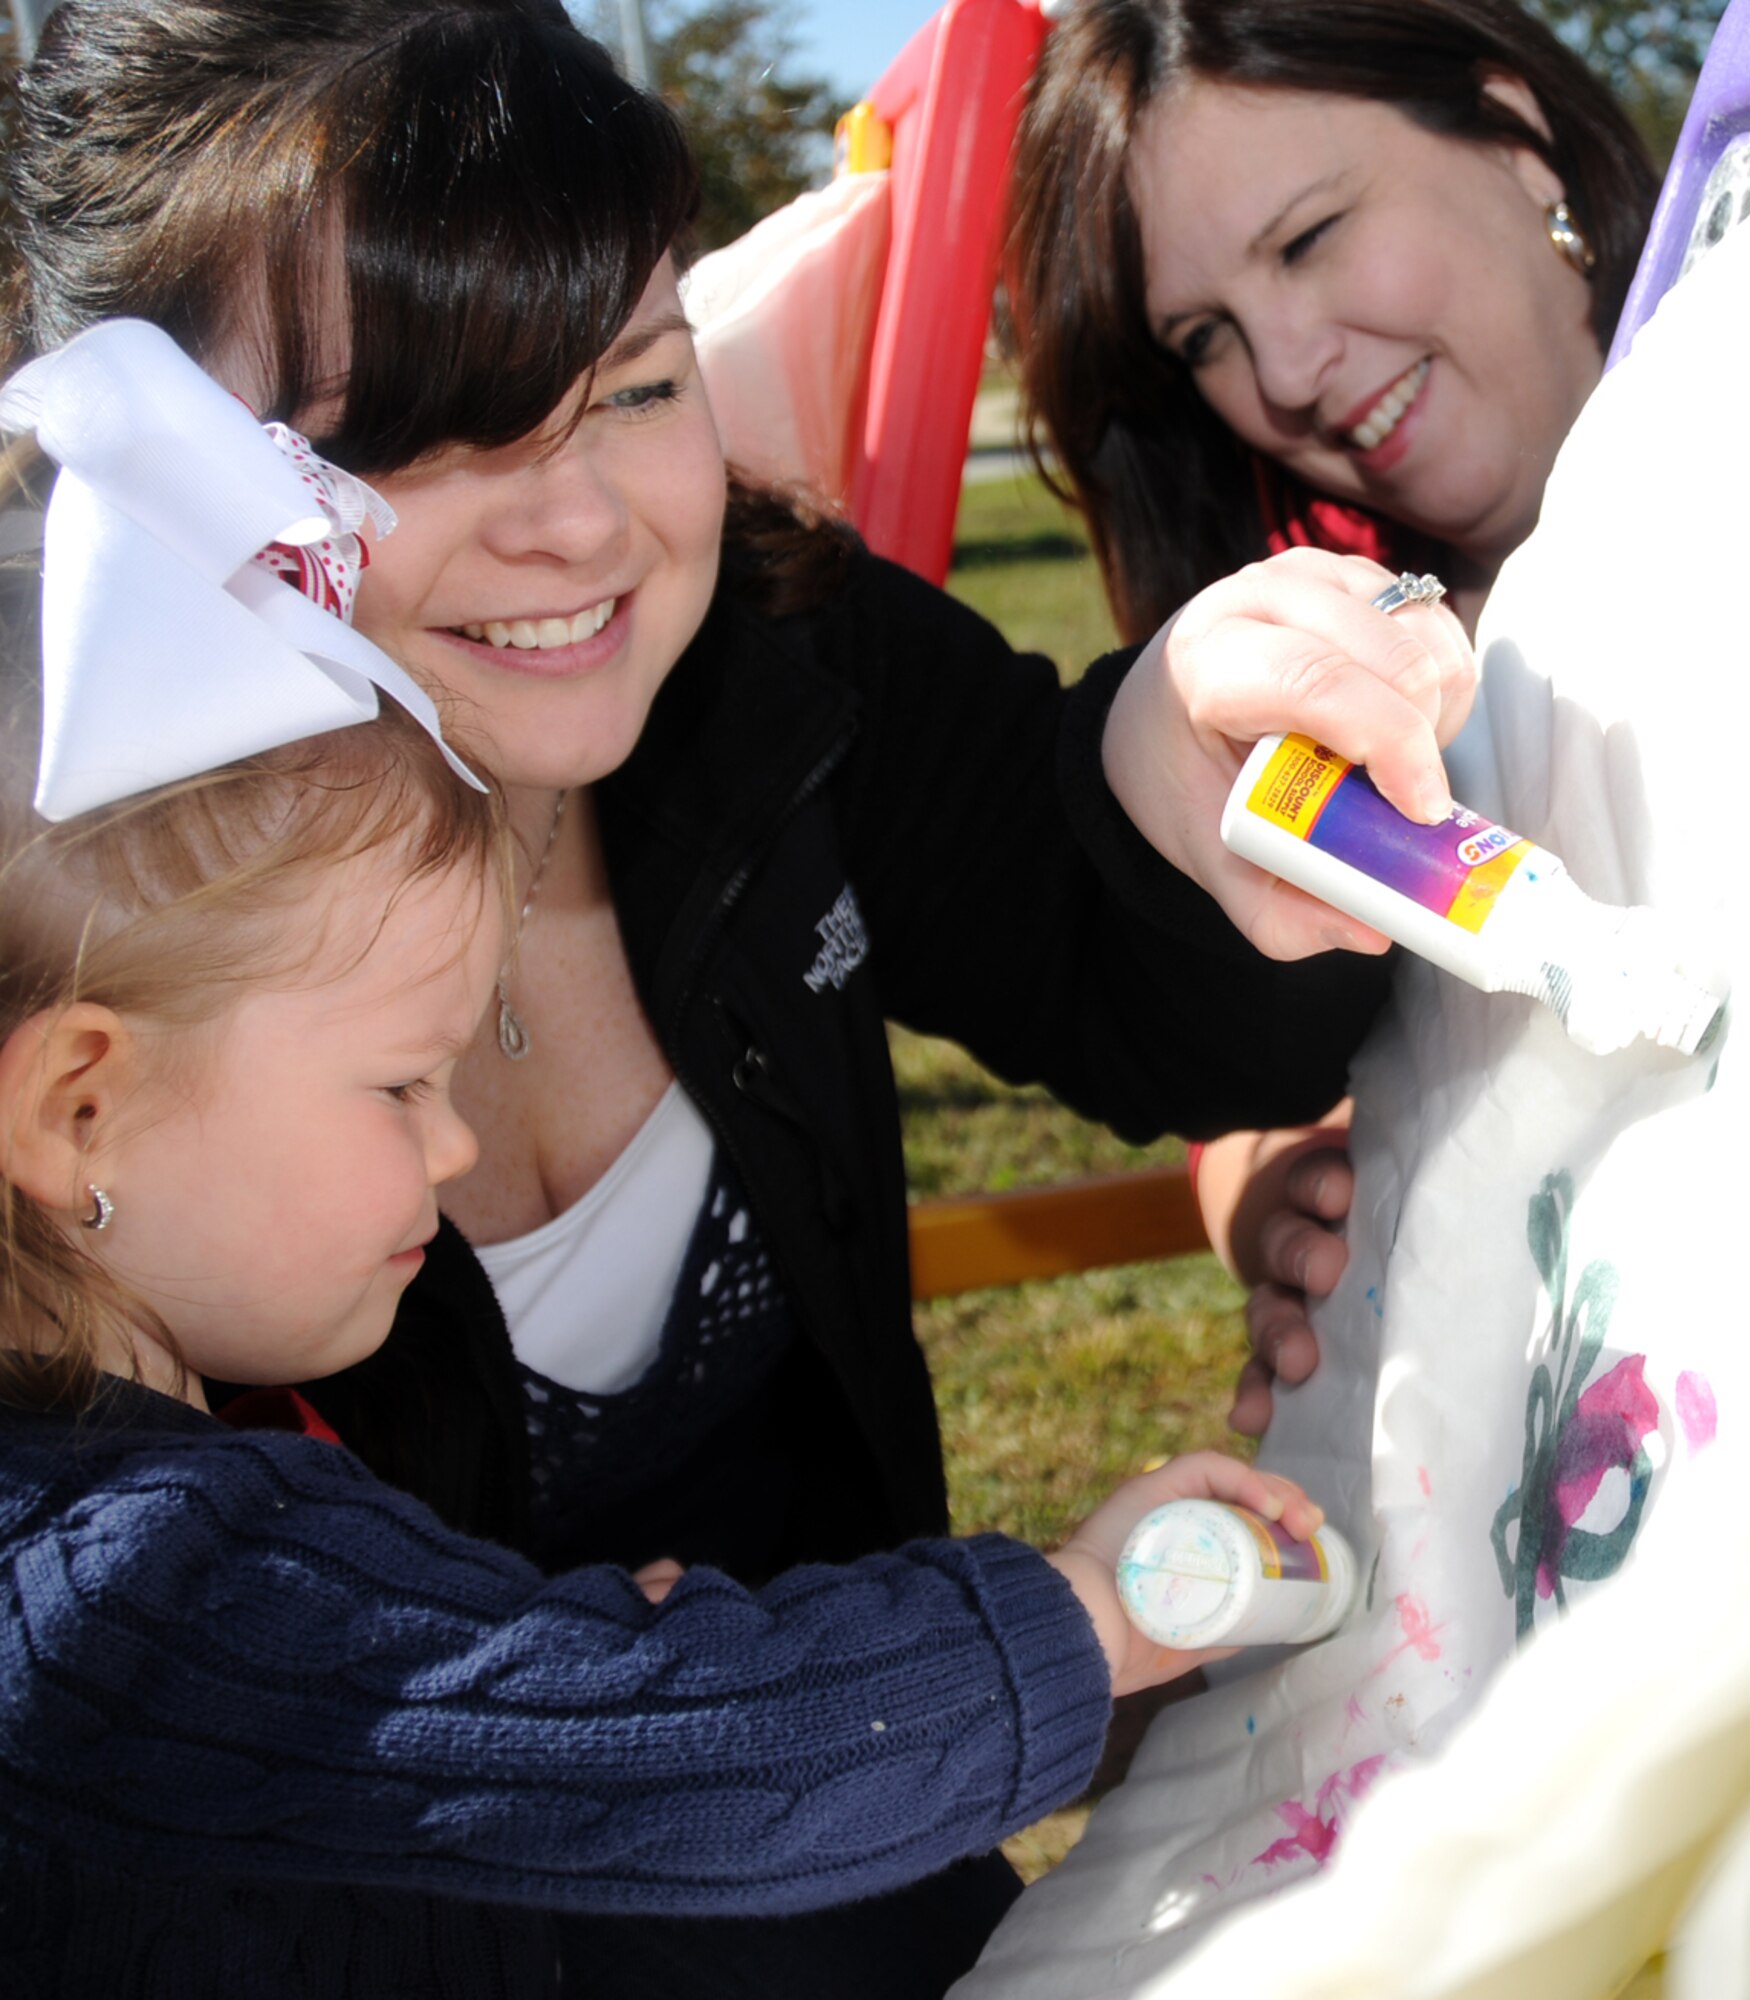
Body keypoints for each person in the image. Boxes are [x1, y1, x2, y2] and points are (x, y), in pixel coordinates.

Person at [4, 4, 1473, 1986]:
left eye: (632, 383)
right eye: (420, 429)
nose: (584, 524)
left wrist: (1191, 772)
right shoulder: (74, 963)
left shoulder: (779, 671)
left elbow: (1172, 1003)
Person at [1004, 0, 1659, 1430]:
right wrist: (1260, 1161)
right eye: (1207, 336)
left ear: (1516, 136)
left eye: (1307, 237)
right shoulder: (1340, 633)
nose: (1287, 373)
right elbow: (1213, 989)